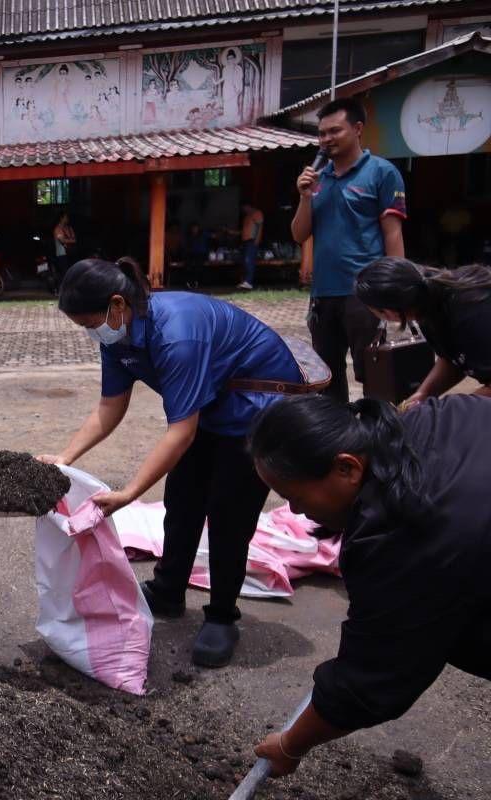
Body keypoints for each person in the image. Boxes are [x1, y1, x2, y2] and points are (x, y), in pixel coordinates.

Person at [38, 258, 309, 667]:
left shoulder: (177, 335)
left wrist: (129, 493)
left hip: (257, 407)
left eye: (90, 323)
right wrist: (65, 457)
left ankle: (221, 616)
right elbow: (110, 405)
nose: (91, 333)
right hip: (211, 404)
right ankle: (168, 590)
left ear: (117, 304)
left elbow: (181, 432)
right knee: (182, 501)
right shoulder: (119, 336)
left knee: (228, 514)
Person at [247, 394, 490, 778]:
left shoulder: (405, 538)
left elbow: (370, 680)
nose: (293, 511)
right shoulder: (438, 416)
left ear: (347, 468)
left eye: (294, 497)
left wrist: (291, 745)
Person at [292, 96, 407, 402]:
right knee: (326, 379)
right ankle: (338, 443)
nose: (326, 139)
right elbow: (299, 234)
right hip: (323, 295)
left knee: (374, 374)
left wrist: (397, 290)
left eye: (334, 131)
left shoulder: (382, 173)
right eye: (321, 133)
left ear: (357, 129)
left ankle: (376, 440)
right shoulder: (318, 179)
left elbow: (392, 233)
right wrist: (305, 197)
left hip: (364, 295)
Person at [356, 257, 491, 406]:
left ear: (388, 312)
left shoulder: (472, 312)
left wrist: (453, 411)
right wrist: (423, 394)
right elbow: (453, 357)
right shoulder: (425, 307)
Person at [233, 202, 264, 291]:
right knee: (244, 262)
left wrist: (257, 239)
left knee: (249, 261)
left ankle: (249, 282)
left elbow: (260, 227)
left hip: (252, 241)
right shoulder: (247, 216)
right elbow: (244, 231)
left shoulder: (257, 213)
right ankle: (245, 281)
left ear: (248, 206)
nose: (243, 210)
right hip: (245, 242)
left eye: (244, 208)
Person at [53, 210, 76, 279]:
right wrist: (71, 240)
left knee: (72, 273)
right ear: (61, 218)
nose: (67, 219)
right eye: (66, 217)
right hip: (62, 254)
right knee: (64, 273)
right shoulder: (57, 229)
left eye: (67, 217)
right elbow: (62, 241)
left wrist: (68, 241)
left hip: (71, 253)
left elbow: (74, 239)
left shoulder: (69, 228)